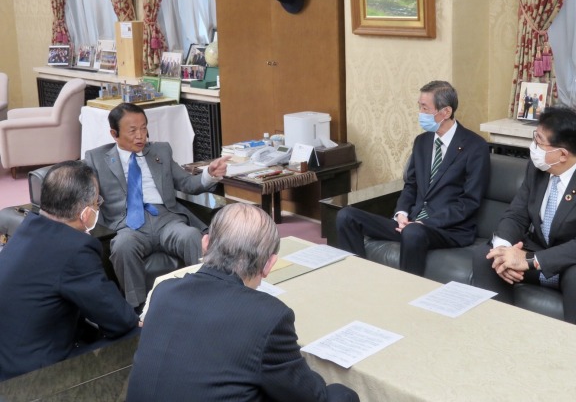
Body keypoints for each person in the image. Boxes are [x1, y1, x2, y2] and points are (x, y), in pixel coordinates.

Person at [126, 203, 359, 402]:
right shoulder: (268, 316)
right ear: (269, 265)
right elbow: (311, 395)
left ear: (205, 244)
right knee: (342, 396)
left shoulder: (164, 291)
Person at [472, 106, 576, 332]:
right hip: (545, 253)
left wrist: (529, 261)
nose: (533, 146)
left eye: (539, 141)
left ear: (562, 154)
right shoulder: (538, 168)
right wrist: (503, 251)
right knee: (487, 256)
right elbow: (517, 214)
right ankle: (498, 333)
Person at [0, 161, 139, 382]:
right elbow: (119, 319)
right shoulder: (75, 249)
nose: (97, 207)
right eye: (97, 202)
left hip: (10, 358)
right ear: (85, 213)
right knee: (140, 335)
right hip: (32, 376)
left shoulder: (27, 228)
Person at [336, 80, 490, 276]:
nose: (420, 113)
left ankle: (406, 290)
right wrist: (401, 213)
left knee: (413, 232)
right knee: (347, 216)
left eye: (425, 108)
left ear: (446, 112)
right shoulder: (422, 142)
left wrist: (425, 223)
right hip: (411, 223)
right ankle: (356, 278)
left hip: (447, 229)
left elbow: (469, 202)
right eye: (419, 107)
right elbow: (411, 185)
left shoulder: (475, 146)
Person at [84, 102, 230, 309]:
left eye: (143, 128)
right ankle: (138, 309)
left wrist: (209, 174)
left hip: (167, 218)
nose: (140, 136)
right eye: (132, 131)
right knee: (123, 246)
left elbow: (187, 183)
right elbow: (87, 194)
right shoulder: (97, 158)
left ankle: (206, 299)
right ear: (114, 134)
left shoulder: (161, 150)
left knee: (191, 236)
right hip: (127, 224)